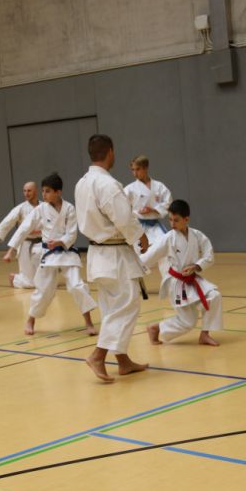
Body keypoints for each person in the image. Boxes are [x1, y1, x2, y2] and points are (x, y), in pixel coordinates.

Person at [75, 134, 149, 383]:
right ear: (110, 152)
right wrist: (140, 235)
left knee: (111, 308)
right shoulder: (107, 184)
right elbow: (123, 217)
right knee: (127, 304)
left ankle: (122, 360)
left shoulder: (82, 182)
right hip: (114, 253)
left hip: (98, 253)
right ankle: (98, 355)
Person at [4, 173, 98, 336]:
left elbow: (72, 234)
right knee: (43, 290)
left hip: (67, 253)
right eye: (43, 191)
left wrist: (61, 242)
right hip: (49, 254)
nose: (43, 195)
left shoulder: (69, 208)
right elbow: (24, 228)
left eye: (47, 191)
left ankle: (89, 322)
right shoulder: (40, 209)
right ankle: (30, 320)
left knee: (77, 286)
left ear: (58, 192)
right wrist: (11, 249)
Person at [141, 199, 221, 346]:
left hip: (193, 278)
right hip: (176, 283)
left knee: (214, 295)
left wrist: (196, 266)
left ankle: (205, 334)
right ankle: (156, 328)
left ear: (186, 219)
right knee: (188, 322)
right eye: (170, 220)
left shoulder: (197, 235)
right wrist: (131, 267)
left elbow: (209, 256)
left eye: (176, 220)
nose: (172, 224)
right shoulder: (168, 238)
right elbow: (149, 255)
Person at [0, 182, 42, 289]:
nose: (26, 193)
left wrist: (39, 232)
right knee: (30, 283)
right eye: (24, 191)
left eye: (29, 190)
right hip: (25, 244)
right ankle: (15, 279)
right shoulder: (21, 208)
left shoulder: (44, 206)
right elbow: (7, 222)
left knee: (44, 278)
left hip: (42, 244)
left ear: (36, 191)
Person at [124, 155, 172, 245]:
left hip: (155, 227)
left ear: (146, 168)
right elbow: (122, 208)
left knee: (164, 248)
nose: (135, 173)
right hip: (138, 227)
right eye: (133, 170)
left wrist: (153, 209)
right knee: (140, 254)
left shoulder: (159, 186)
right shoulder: (129, 189)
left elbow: (169, 203)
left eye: (138, 169)